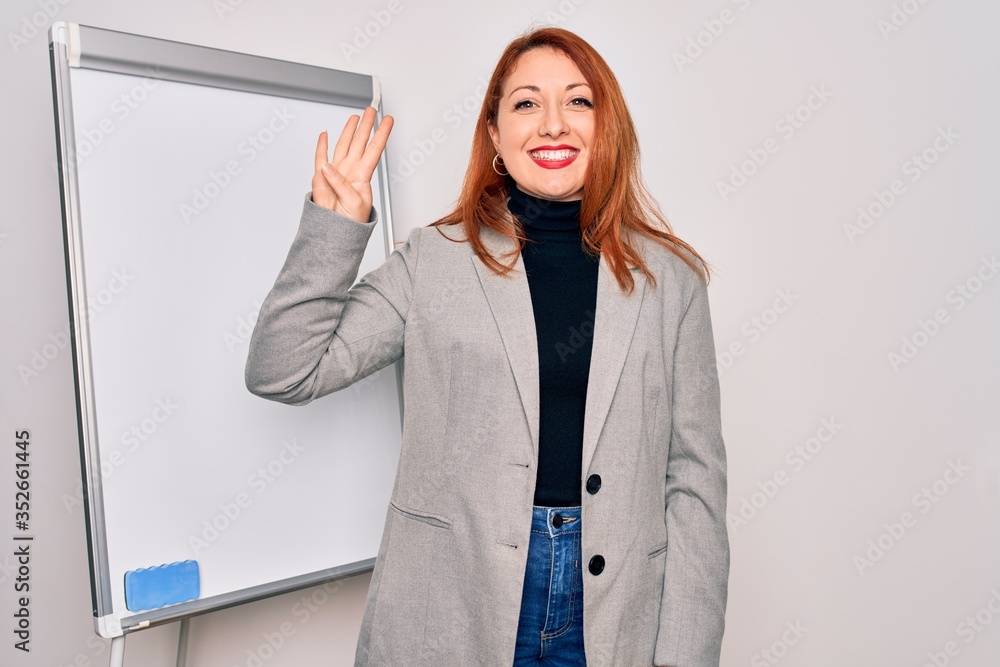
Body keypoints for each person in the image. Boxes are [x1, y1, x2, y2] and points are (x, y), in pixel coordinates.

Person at [245, 26, 729, 667]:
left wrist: (687, 654)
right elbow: (285, 371)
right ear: (496, 134)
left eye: (578, 101)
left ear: (606, 124)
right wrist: (335, 227)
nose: (553, 124)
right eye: (527, 103)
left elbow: (693, 483)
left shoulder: (671, 281)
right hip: (455, 599)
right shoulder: (434, 261)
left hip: (617, 610)